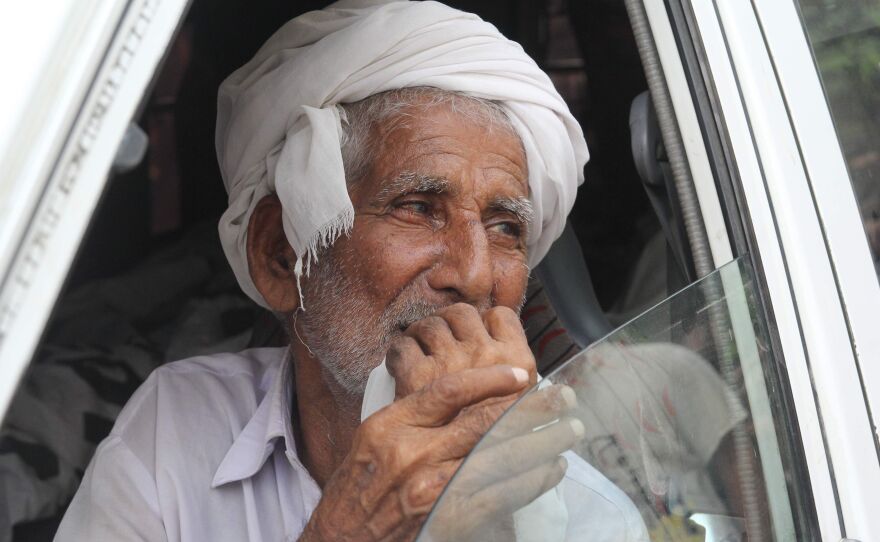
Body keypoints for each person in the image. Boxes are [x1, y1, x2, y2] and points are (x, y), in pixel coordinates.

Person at [56, 1, 648, 540]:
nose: (472, 275)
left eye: (505, 228)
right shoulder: (175, 434)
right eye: (417, 208)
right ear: (283, 256)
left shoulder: (593, 520)